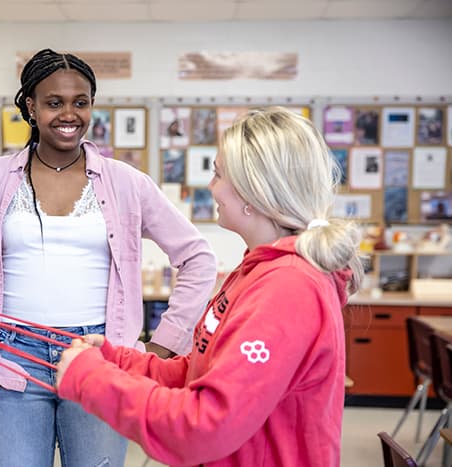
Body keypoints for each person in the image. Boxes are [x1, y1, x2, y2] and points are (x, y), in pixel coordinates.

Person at [0, 48, 216, 467]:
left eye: (80, 102)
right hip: (10, 359)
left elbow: (198, 257)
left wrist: (160, 347)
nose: (69, 114)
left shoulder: (127, 184)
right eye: (54, 103)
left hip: (100, 358)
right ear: (30, 107)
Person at [56, 107, 364, 467]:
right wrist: (118, 361)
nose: (210, 187)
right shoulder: (257, 270)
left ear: (253, 192)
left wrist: (92, 380)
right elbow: (200, 370)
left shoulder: (289, 287)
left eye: (217, 174)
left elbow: (203, 426)